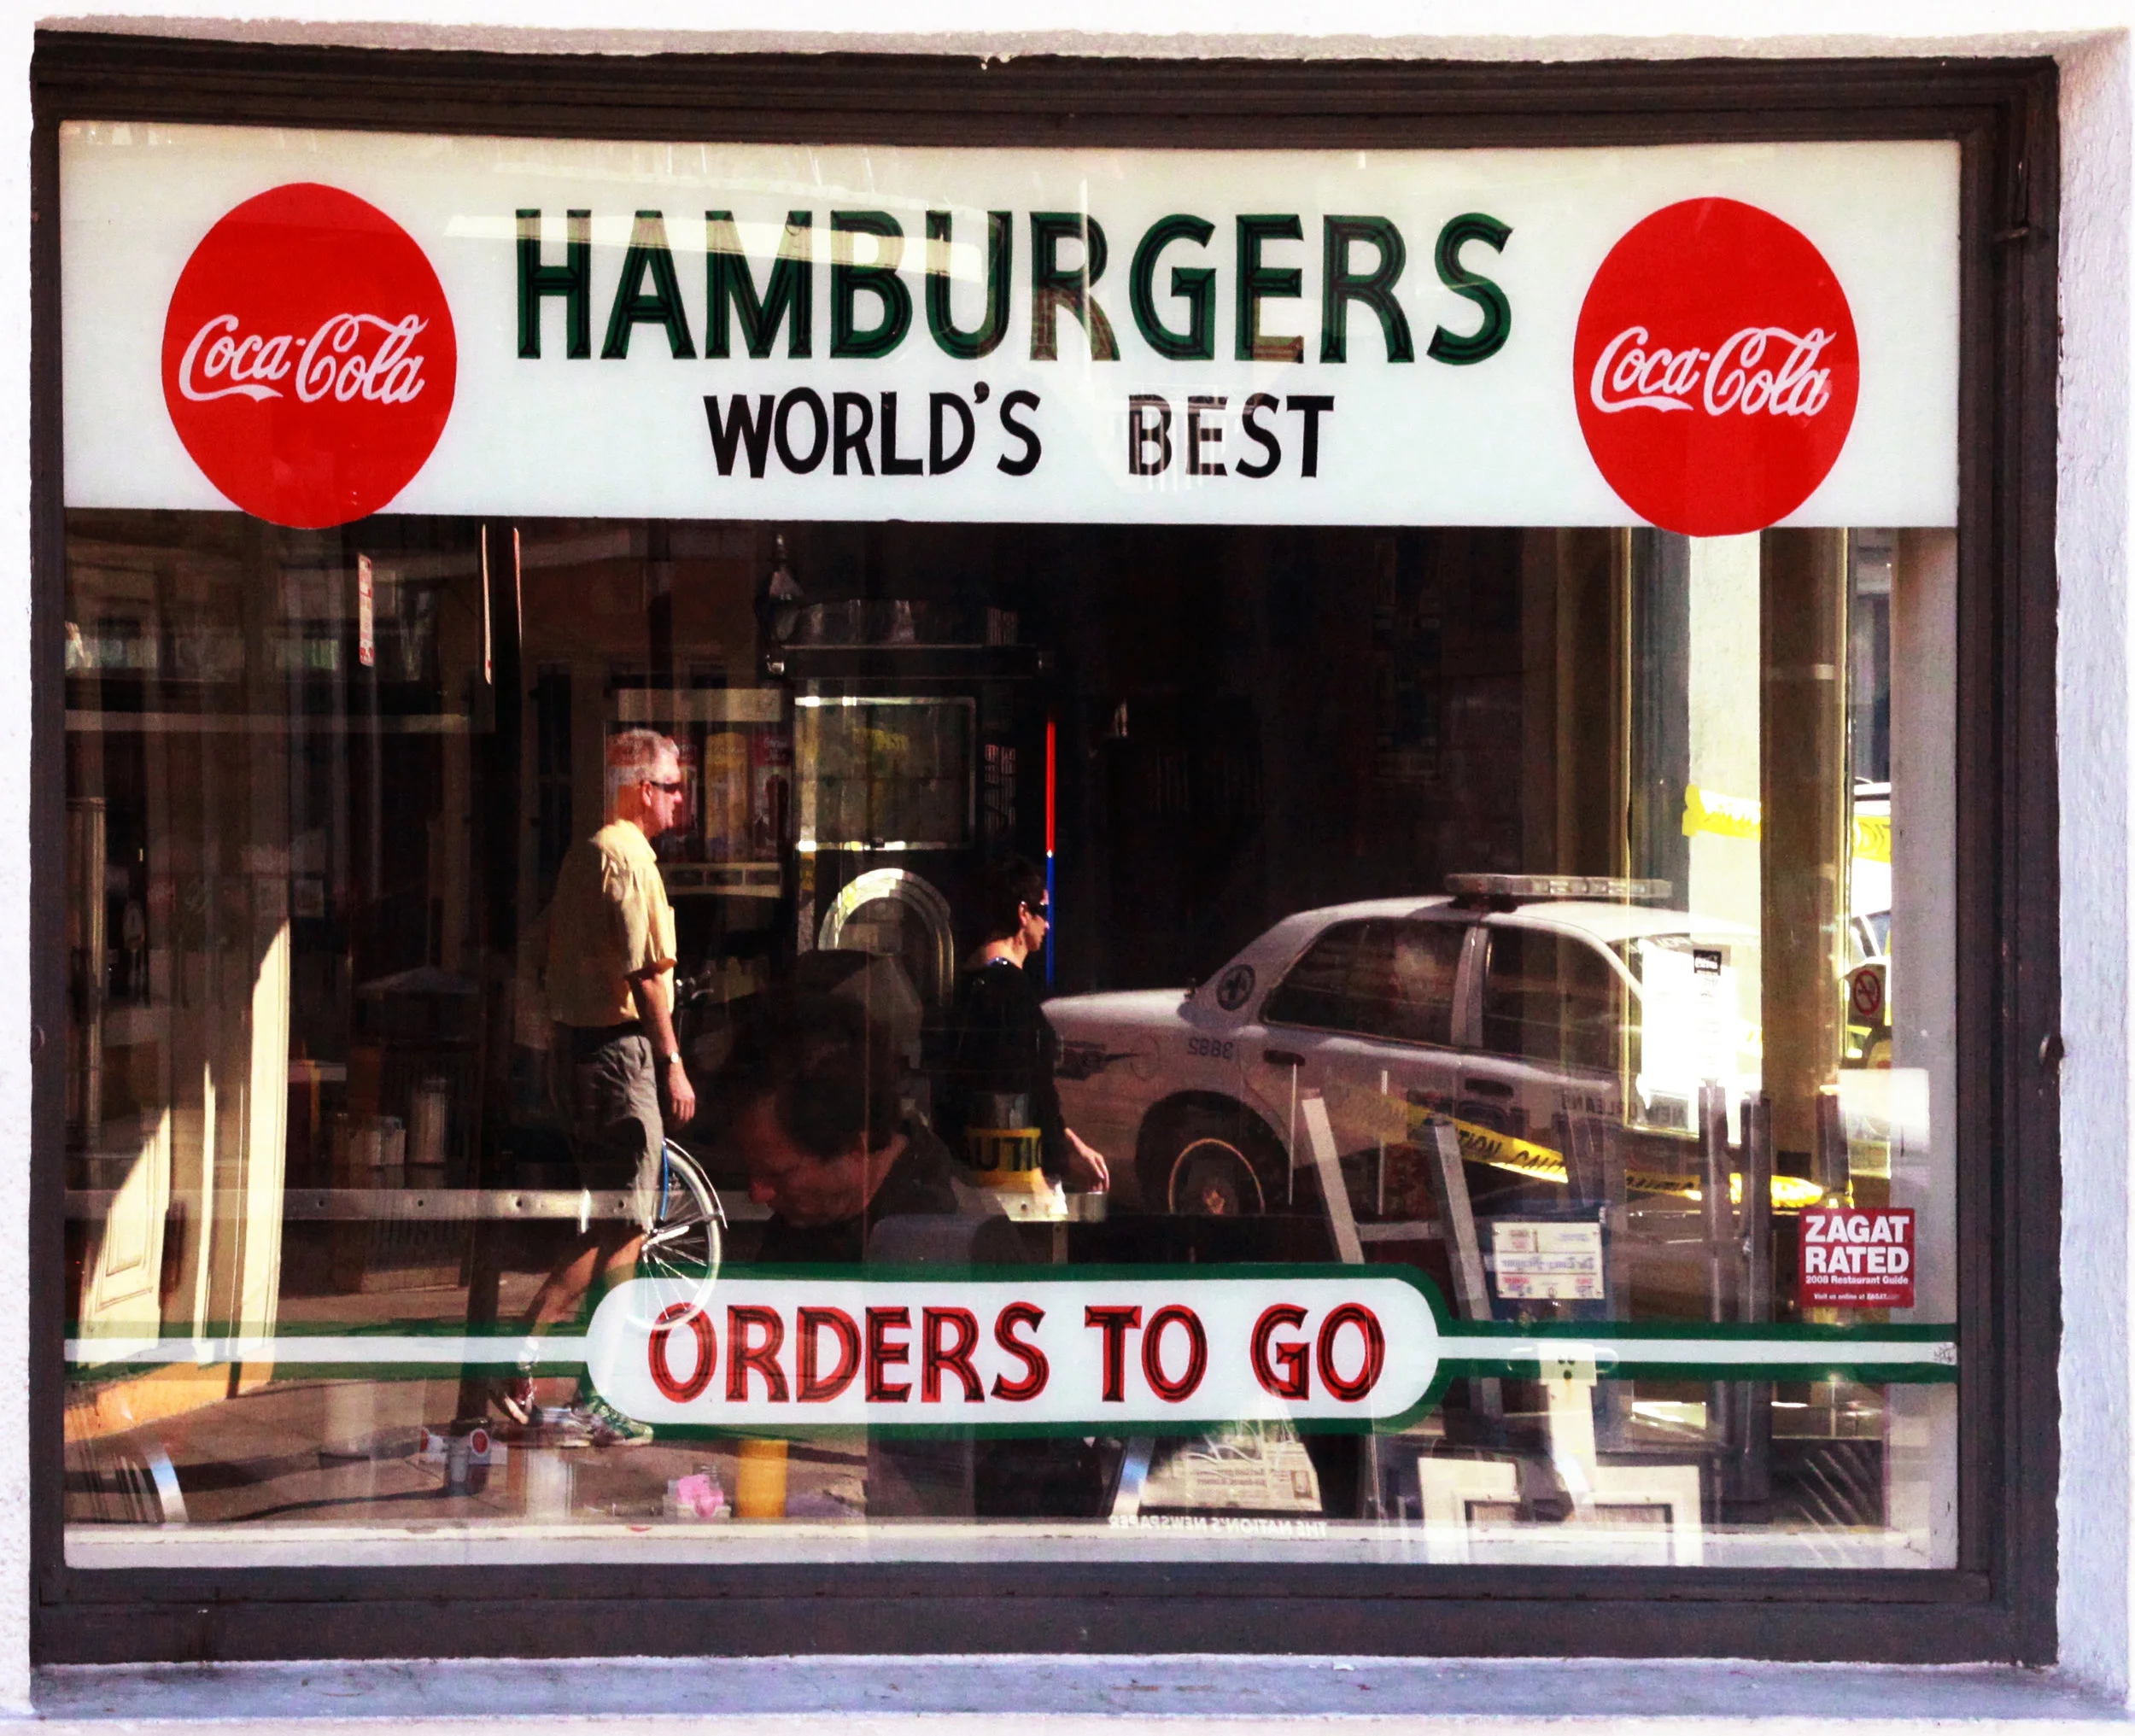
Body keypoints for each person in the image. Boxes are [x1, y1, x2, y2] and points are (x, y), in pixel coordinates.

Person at [499, 728, 696, 1441]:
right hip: (619, 1056)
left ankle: (537, 1356)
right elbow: (646, 973)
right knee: (628, 1228)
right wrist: (671, 1059)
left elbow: (538, 945)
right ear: (643, 788)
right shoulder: (630, 859)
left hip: (576, 1052)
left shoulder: (585, 856)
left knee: (618, 1221)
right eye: (672, 786)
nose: (680, 800)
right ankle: (594, 1388)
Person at [722, 990, 962, 1265]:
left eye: (777, 1174)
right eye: (751, 1170)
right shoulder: (804, 1224)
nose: (757, 1194)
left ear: (854, 1149)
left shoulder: (942, 1244)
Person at [937, 856, 1108, 1192]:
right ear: (1022, 914)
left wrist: (1070, 1142)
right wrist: (1055, 1164)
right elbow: (1027, 1093)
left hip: (972, 1168)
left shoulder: (968, 985)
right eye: (1042, 913)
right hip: (1015, 1177)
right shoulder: (1010, 992)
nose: (1048, 925)